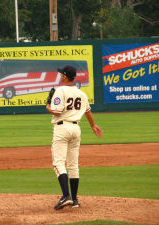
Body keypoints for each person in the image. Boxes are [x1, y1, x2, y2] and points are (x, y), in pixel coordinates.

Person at [46, 65, 103, 210]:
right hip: (76, 129)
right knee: (73, 164)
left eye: (61, 74)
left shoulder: (60, 91)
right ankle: (75, 199)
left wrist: (47, 105)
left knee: (58, 163)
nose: (60, 76)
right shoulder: (81, 93)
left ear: (65, 76)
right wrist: (93, 126)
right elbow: (88, 111)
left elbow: (57, 112)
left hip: (62, 128)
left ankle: (66, 196)